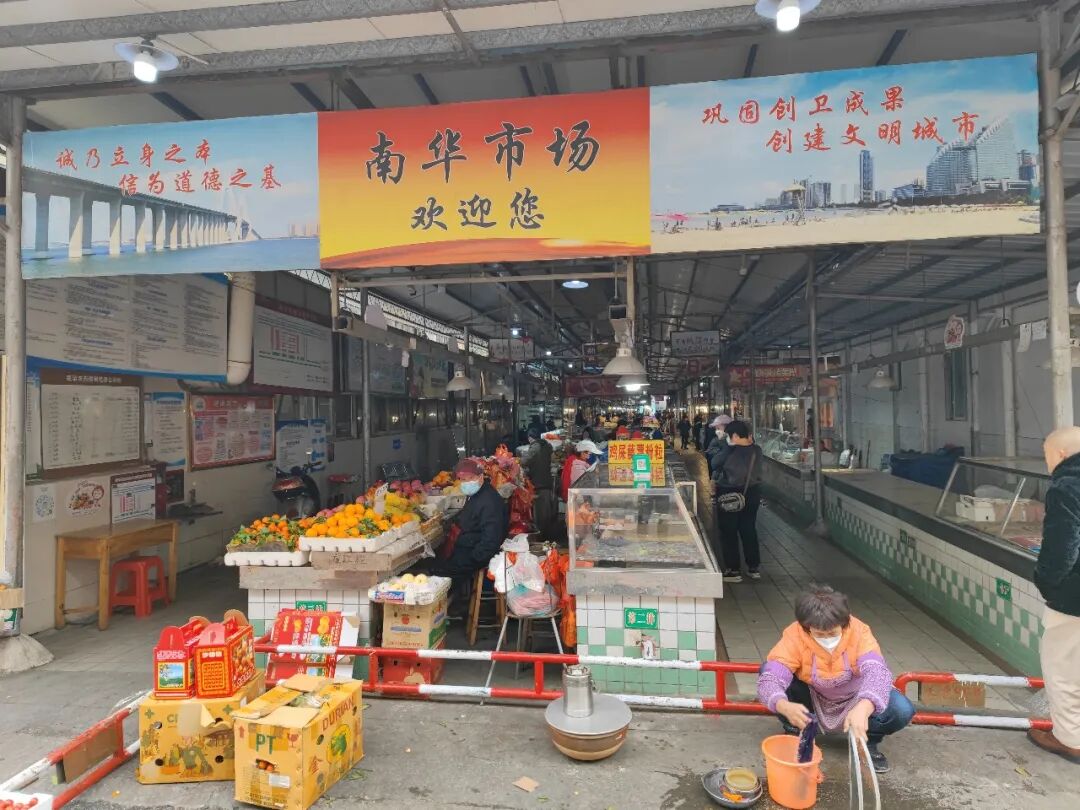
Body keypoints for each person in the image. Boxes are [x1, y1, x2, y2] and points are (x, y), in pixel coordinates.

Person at [757, 585, 915, 773]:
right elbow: (772, 676)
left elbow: (877, 672)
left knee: (901, 709)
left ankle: (867, 741)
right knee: (767, 670)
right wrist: (783, 705)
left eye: (832, 633)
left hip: (855, 697)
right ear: (806, 628)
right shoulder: (795, 634)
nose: (827, 639)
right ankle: (795, 731)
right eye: (819, 634)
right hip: (813, 696)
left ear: (845, 624)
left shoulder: (860, 632)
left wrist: (865, 707)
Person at [1029, 426, 1080, 762]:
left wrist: (1046, 583)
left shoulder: (1067, 486)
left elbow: (1063, 547)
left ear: (1060, 453)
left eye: (1046, 454)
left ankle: (1071, 738)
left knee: (1063, 670)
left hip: (1074, 600)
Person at [434, 459, 509, 609]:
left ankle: (442, 611)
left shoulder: (488, 501)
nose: (466, 483)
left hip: (476, 554)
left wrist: (473, 558)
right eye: (462, 480)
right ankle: (451, 606)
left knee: (440, 579)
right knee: (436, 566)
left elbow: (491, 540)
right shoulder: (478, 494)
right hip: (468, 548)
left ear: (480, 477)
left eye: (470, 478)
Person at [711, 420, 763, 582]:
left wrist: (728, 446)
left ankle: (733, 571)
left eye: (728, 435)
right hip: (752, 493)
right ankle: (753, 567)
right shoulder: (757, 450)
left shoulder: (731, 451)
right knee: (749, 529)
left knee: (729, 532)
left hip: (730, 494)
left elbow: (714, 463)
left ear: (734, 436)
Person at [522, 425, 555, 539]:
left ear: (530, 438)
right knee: (546, 510)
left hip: (538, 482)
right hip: (546, 480)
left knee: (539, 512)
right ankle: (546, 534)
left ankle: (541, 536)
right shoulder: (546, 445)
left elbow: (524, 461)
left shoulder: (535, 447)